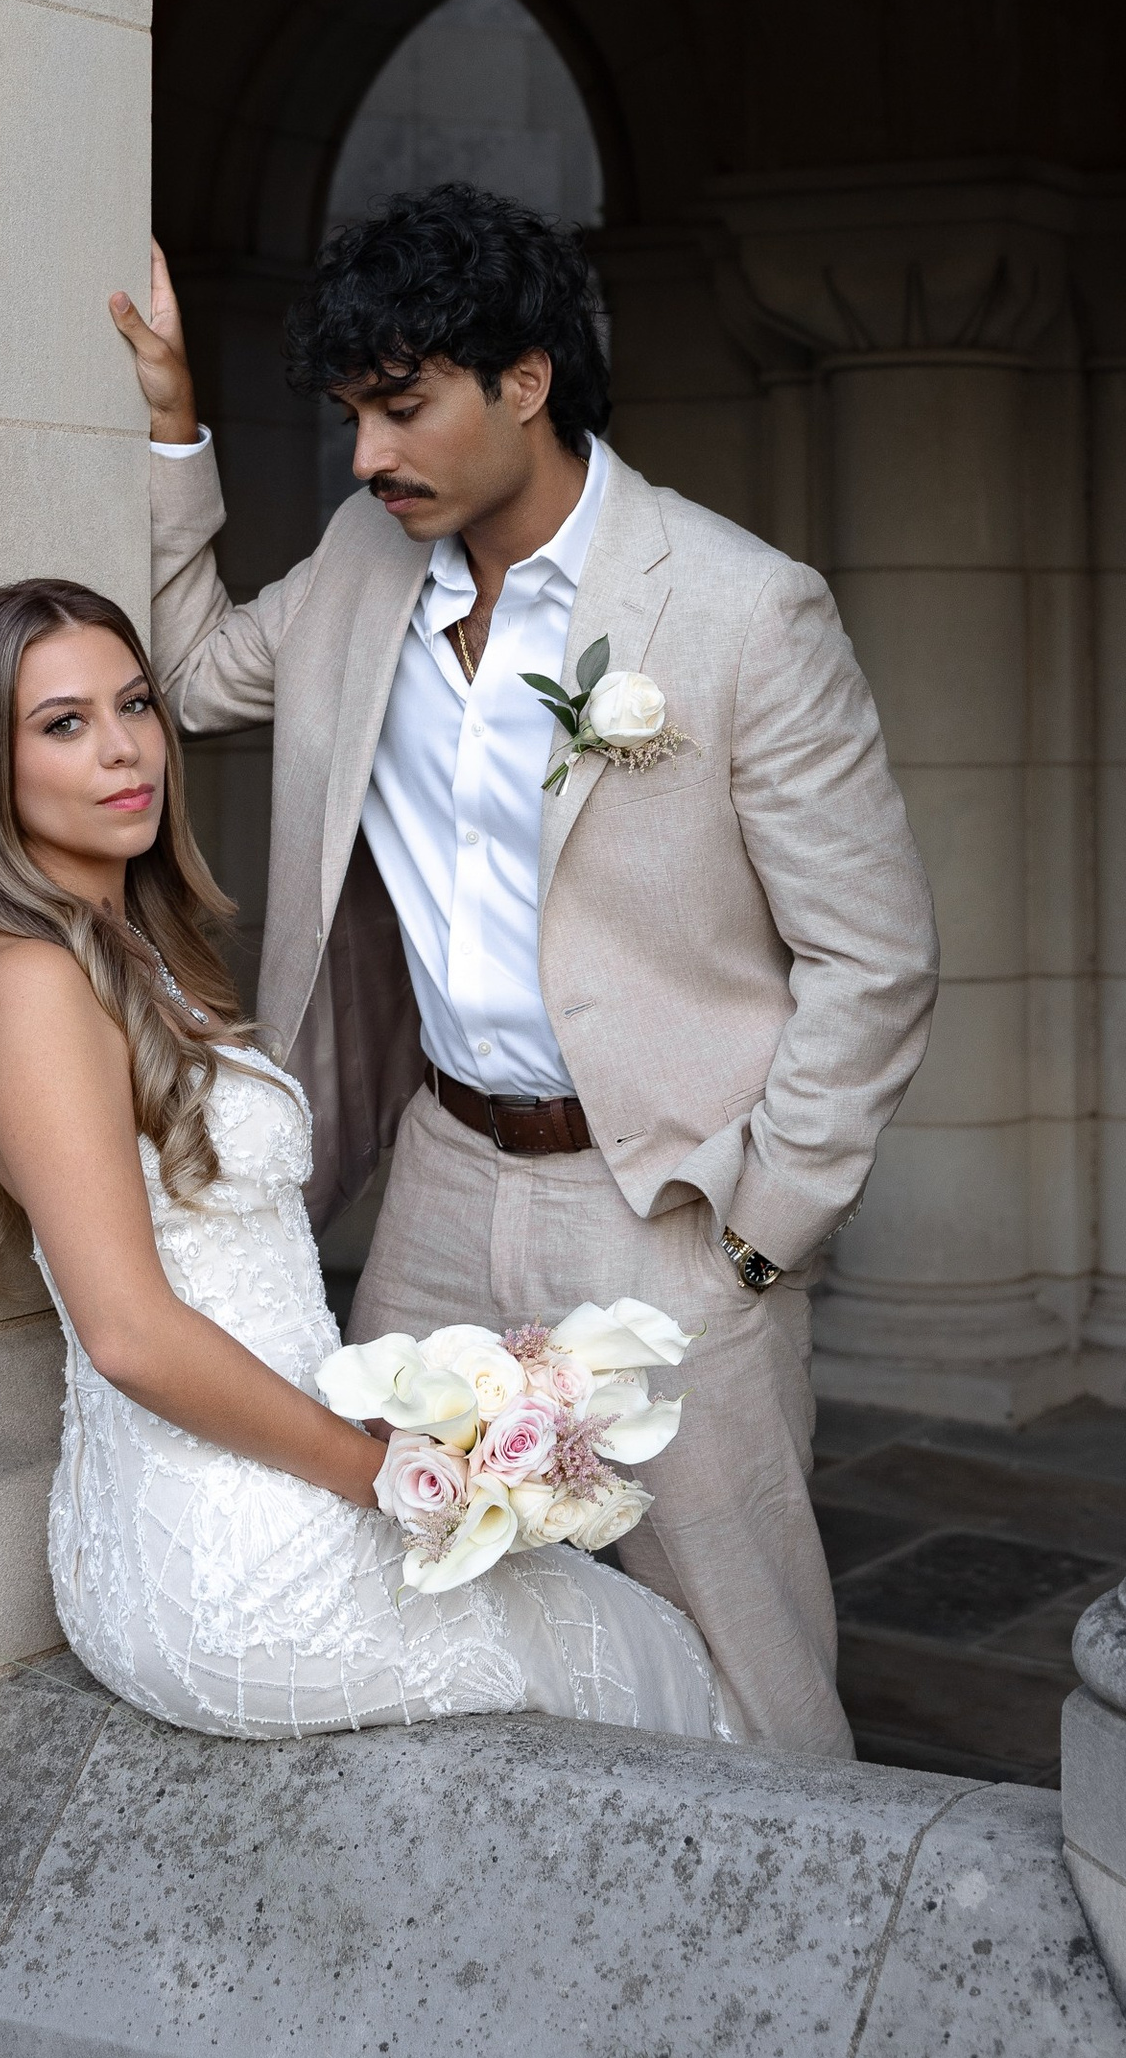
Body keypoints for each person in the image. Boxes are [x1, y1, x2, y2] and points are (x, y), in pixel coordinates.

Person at [110, 185, 939, 1757]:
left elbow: (875, 956)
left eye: (403, 407)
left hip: (668, 1210)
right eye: (355, 413)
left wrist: (760, 1235)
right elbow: (193, 672)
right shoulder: (366, 561)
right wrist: (171, 430)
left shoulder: (741, 608)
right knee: (410, 1593)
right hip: (436, 1179)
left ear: (529, 380)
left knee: (745, 1656)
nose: (366, 457)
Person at [0, 572, 725, 1741]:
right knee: (636, 1648)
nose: (122, 749)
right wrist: (384, 1473)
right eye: (64, 724)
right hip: (226, 1558)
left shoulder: (131, 955)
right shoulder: (31, 982)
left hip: (274, 1482)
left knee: (620, 1634)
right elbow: (129, 1332)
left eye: (135, 705)